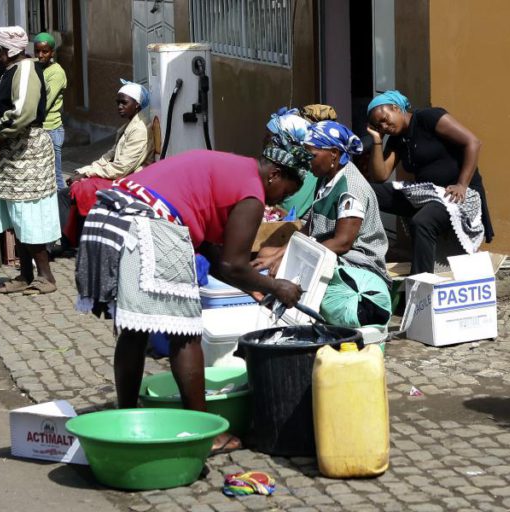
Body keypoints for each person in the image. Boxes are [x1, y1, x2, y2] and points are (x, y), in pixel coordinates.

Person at [75, 147, 307, 452]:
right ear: (274, 174)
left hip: (110, 214)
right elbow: (232, 265)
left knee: (135, 329)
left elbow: (216, 255)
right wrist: (277, 287)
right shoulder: (252, 192)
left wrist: (252, 285)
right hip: (148, 224)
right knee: (184, 334)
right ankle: (205, 431)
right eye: (283, 192)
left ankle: (126, 416)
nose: (277, 202)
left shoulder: (232, 165)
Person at [254, 121, 392, 328]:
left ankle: (292, 313)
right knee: (265, 255)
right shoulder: (325, 179)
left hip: (355, 263)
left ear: (334, 154)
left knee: (278, 266)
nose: (309, 161)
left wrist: (289, 258)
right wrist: (279, 254)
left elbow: (343, 243)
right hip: (326, 251)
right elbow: (310, 227)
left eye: (312, 155)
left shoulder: (351, 188)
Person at [366, 90, 494, 275]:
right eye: (379, 125)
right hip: (427, 195)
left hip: (456, 194)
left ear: (395, 108)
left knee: (421, 222)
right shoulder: (396, 139)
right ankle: (362, 254)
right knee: (366, 190)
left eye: (385, 119)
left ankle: (421, 285)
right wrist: (377, 140)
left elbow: (472, 142)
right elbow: (380, 175)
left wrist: (462, 184)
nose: (384, 126)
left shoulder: (429, 117)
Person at [0, 26, 59, 295]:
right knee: (16, 214)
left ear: (6, 50)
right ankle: (25, 274)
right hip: (14, 155)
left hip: (26, 153)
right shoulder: (12, 71)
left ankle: (45, 276)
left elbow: (22, 112)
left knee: (27, 215)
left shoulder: (24, 71)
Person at [62, 79, 153, 243]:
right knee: (74, 187)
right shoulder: (129, 125)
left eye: (124, 103)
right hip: (119, 175)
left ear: (137, 105)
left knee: (75, 191)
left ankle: (66, 241)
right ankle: (71, 240)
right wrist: (84, 170)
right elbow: (109, 155)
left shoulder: (139, 129)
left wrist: (88, 173)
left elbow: (121, 168)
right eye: (118, 102)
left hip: (128, 181)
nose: (119, 107)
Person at [33, 32, 67, 190]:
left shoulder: (57, 73)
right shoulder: (36, 67)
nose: (40, 55)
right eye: (37, 51)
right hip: (39, 128)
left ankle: (64, 212)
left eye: (45, 52)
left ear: (52, 52)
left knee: (55, 179)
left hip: (51, 129)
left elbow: (44, 103)